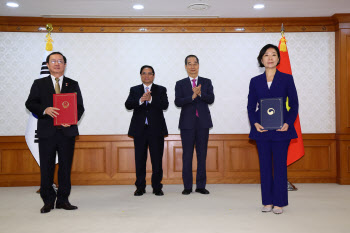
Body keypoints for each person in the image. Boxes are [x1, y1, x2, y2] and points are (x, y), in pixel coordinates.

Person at [25, 52, 85, 213]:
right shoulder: (39, 83)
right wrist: (45, 109)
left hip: (67, 132)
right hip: (47, 132)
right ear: (48, 65)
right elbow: (30, 103)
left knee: (65, 168)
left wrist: (72, 119)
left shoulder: (73, 84)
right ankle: (48, 201)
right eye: (53, 61)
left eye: (60, 61)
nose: (57, 64)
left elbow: (80, 107)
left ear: (65, 65)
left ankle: (63, 200)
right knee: (46, 168)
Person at [247, 44, 299, 214]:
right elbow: (250, 106)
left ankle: (279, 203)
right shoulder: (255, 81)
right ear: (261, 60)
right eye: (266, 55)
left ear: (278, 59)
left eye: (273, 55)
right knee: (265, 166)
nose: (270, 58)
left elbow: (294, 104)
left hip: (281, 130)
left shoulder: (287, 78)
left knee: (279, 167)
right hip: (262, 130)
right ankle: (267, 202)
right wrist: (254, 123)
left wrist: (288, 123)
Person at [125, 65, 169, 196]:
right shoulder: (134, 90)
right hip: (139, 130)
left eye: (150, 73)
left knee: (157, 160)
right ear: (140, 75)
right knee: (139, 159)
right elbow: (128, 105)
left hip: (156, 130)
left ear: (153, 75)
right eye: (144, 73)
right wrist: (140, 100)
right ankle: (140, 187)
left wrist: (151, 100)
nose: (147, 76)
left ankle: (157, 187)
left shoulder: (161, 89)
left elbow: (165, 105)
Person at [175, 55, 215, 195]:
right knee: (187, 155)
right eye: (189, 64)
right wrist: (192, 97)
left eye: (195, 63)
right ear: (185, 66)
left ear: (198, 65)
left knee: (202, 155)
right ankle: (187, 186)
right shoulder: (180, 83)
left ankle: (200, 185)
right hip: (187, 124)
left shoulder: (206, 81)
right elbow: (177, 102)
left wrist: (200, 93)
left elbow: (211, 99)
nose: (192, 66)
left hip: (203, 123)